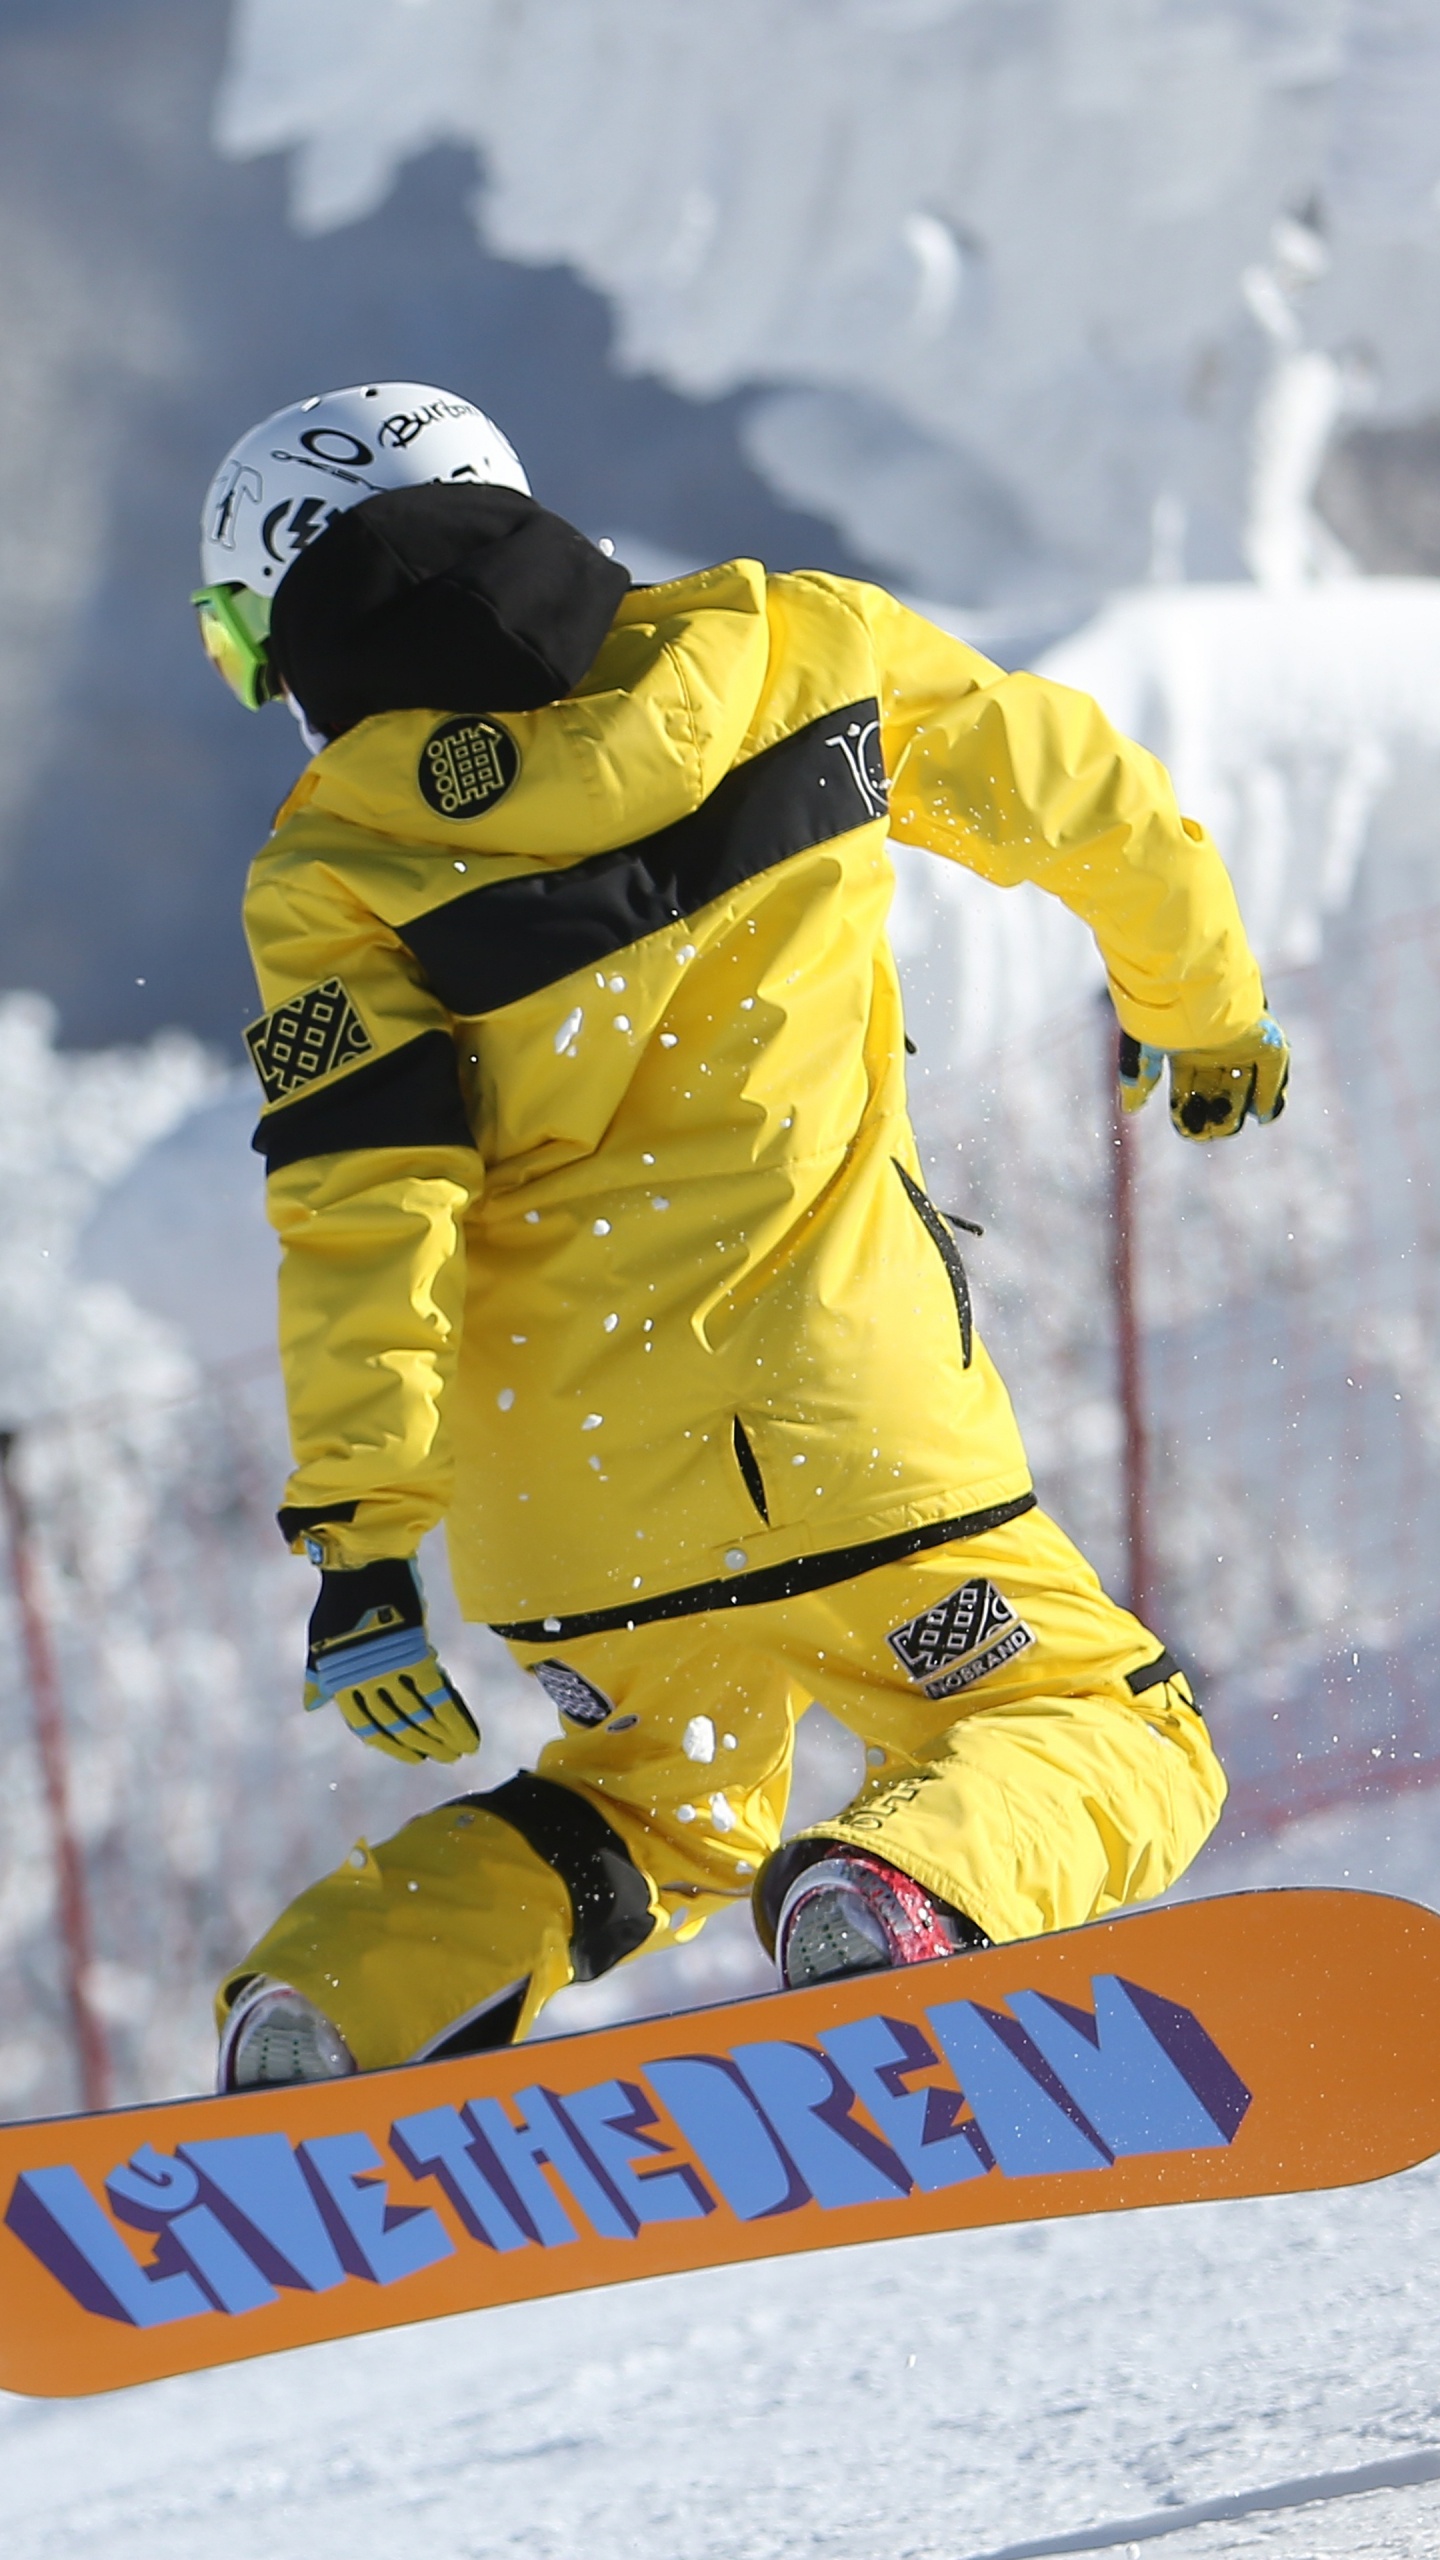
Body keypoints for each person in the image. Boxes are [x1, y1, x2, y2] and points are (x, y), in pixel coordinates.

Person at [194, 381, 1289, 2090]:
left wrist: (360, 1537)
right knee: (1100, 1723)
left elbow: (361, 1205)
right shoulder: (797, 649)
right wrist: (1203, 1010)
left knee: (648, 1805)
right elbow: (1085, 797)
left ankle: (341, 2005)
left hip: (564, 1510)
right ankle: (897, 1900)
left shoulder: (331, 863)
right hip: (844, 1434)